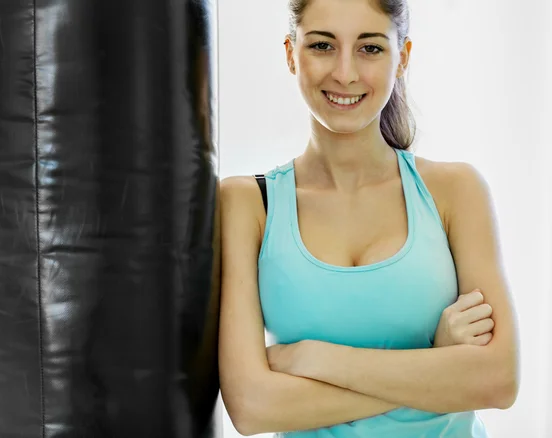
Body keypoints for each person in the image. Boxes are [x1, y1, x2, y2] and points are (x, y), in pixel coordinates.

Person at [218, 0, 520, 436]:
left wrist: (314, 360)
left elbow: (498, 381)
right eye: (323, 45)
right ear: (290, 53)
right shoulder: (248, 203)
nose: (345, 73)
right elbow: (252, 408)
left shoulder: (455, 191)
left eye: (370, 48)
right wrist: (437, 362)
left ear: (404, 58)